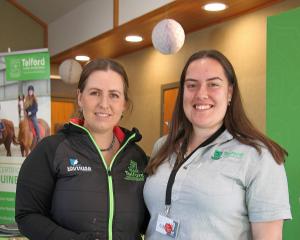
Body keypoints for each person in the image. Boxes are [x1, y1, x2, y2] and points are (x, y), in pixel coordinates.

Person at [143, 50, 291, 239]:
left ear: (229, 92)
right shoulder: (163, 146)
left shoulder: (259, 156)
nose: (201, 94)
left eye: (213, 84)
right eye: (191, 85)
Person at [15, 59, 149, 240]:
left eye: (114, 95)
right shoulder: (51, 150)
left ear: (124, 103)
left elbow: (151, 220)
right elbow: (27, 216)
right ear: (80, 97)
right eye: (95, 93)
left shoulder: (138, 158)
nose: (104, 103)